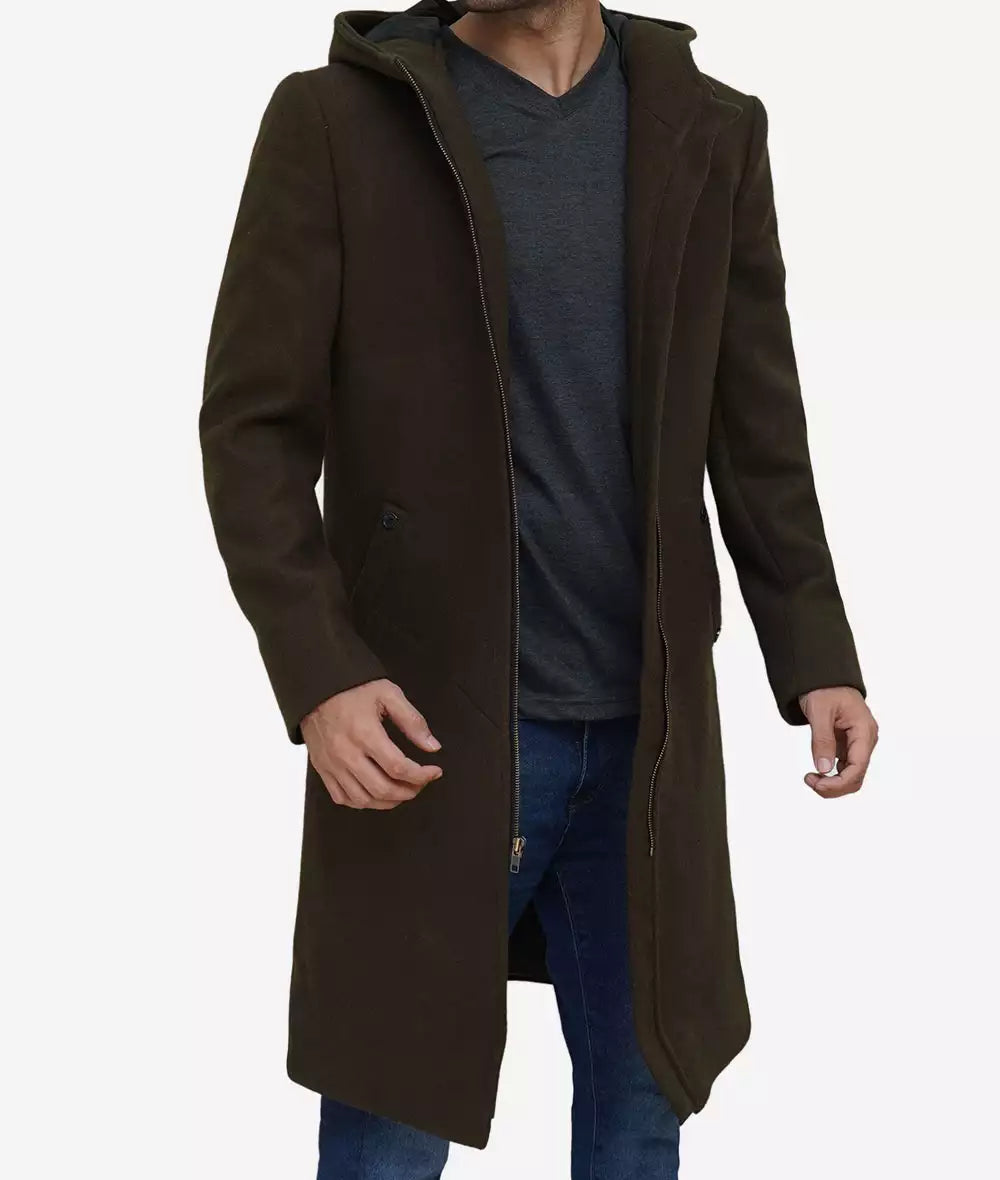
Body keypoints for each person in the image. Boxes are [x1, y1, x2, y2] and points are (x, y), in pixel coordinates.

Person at [199, 0, 879, 1175]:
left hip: (647, 739)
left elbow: (757, 427)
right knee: (390, 1125)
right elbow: (251, 430)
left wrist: (814, 653)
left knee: (639, 1117)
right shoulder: (338, 121)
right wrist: (320, 670)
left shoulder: (709, 130)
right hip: (429, 724)